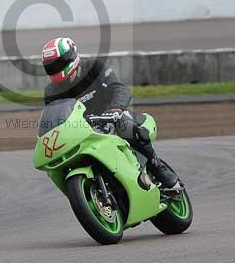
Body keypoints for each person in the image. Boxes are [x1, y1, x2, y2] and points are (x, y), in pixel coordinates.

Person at [41, 37, 181, 190]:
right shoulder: (51, 91)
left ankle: (157, 167)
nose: (56, 69)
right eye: (51, 67)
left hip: (110, 118)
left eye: (59, 64)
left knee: (124, 124)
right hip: (81, 131)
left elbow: (119, 88)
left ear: (72, 57)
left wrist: (116, 109)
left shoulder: (94, 67)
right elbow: (55, 117)